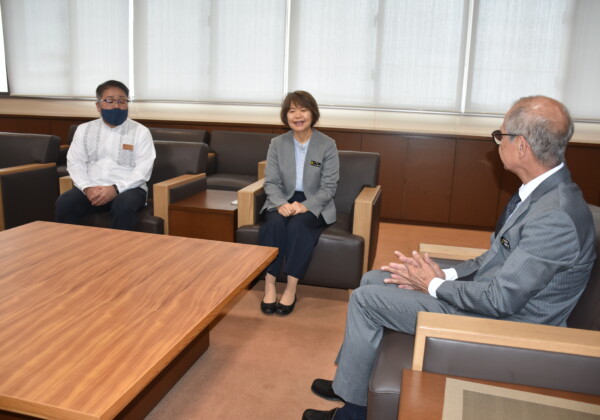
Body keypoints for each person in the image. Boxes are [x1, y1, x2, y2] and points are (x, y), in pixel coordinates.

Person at [302, 95, 597, 420]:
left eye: (500, 136)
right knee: (374, 278)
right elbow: (495, 258)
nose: (498, 143)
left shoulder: (554, 216)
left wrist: (433, 285)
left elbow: (501, 300)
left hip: (505, 326)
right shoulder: (542, 193)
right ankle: (351, 380)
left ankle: (352, 414)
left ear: (522, 146)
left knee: (364, 300)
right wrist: (447, 275)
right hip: (491, 300)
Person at [259, 91, 339, 316]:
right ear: (286, 116)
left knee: (298, 226)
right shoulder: (277, 143)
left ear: (313, 113)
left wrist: (307, 205)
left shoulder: (327, 144)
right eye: (292, 111)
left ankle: (291, 288)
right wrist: (280, 203)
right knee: (273, 224)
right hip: (282, 198)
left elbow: (329, 187)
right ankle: (269, 285)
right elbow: (271, 181)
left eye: (303, 110)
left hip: (315, 201)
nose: (298, 116)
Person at [55, 80, 156, 231]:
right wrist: (87, 188)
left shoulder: (141, 132)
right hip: (92, 187)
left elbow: (144, 169)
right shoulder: (84, 130)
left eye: (121, 101)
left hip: (129, 189)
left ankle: (118, 247)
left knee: (123, 207)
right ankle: (73, 245)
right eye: (110, 101)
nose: (116, 106)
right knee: (64, 203)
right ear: (98, 105)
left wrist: (115, 189)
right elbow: (75, 162)